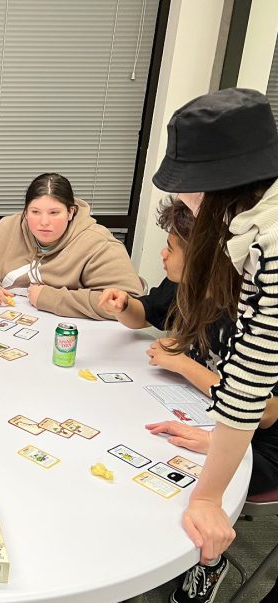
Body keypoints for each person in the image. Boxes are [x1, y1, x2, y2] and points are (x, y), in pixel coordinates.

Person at [150, 88, 278, 603]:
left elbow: (251, 373)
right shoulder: (254, 223)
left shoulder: (270, 239)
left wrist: (206, 496)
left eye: (188, 191)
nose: (183, 203)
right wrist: (228, 437)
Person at [0, 172, 143, 320]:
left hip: (66, 336)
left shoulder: (97, 243)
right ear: (25, 212)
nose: (44, 222)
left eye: (54, 213)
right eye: (35, 212)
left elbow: (129, 304)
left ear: (70, 212)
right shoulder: (9, 226)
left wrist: (51, 298)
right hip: (1, 321)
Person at [99, 196, 193, 331]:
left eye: (170, 249)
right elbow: (145, 315)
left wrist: (183, 353)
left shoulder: (232, 311)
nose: (163, 253)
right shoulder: (179, 283)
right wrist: (123, 306)